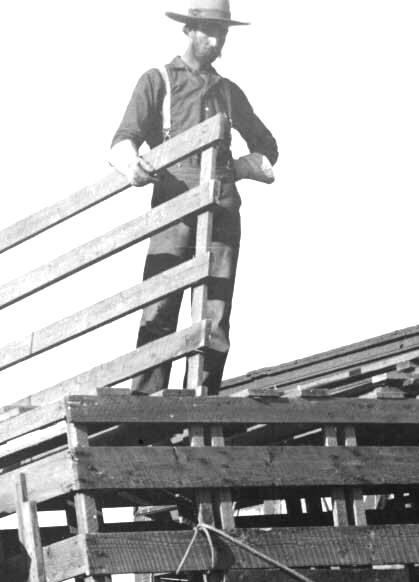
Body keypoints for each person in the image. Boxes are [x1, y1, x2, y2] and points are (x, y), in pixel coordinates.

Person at [108, 1, 279, 394]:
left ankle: (202, 401)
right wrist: (134, 166)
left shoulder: (228, 92)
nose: (216, 40)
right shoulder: (159, 81)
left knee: (214, 313)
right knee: (160, 305)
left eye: (222, 32)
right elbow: (123, 141)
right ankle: (148, 404)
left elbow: (267, 146)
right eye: (208, 30)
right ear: (188, 30)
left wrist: (238, 168)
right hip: (174, 203)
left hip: (221, 207)